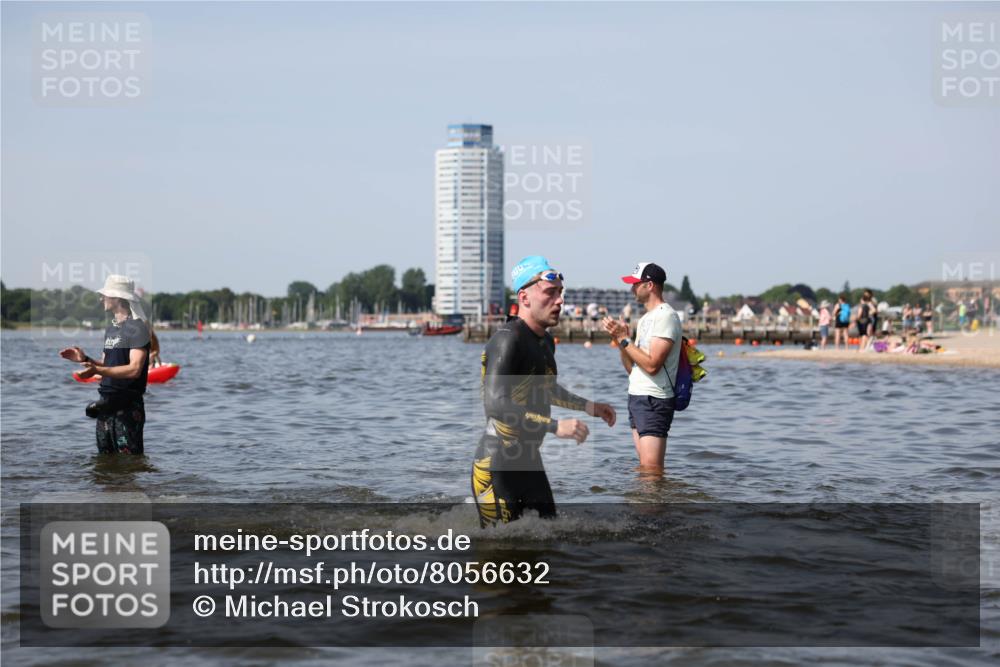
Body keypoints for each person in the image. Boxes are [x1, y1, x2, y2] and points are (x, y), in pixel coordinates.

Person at [472, 256, 616, 527]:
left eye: (560, 293)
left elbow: (546, 389)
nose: (560, 301)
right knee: (500, 554)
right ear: (524, 298)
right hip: (497, 466)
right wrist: (554, 426)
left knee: (548, 541)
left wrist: (589, 406)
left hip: (530, 462)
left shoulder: (545, 341)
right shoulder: (507, 339)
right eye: (550, 293)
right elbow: (495, 404)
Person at [601, 262, 681, 471]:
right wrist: (621, 342)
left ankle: (655, 504)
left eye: (636, 284)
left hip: (654, 399)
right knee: (644, 469)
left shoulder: (665, 316)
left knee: (651, 471)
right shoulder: (646, 318)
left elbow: (653, 365)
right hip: (638, 397)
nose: (631, 289)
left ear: (650, 285)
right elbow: (633, 368)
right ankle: (645, 504)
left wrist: (625, 339)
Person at [59, 275, 151, 455]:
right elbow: (106, 365)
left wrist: (97, 369)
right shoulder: (111, 329)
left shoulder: (138, 328)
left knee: (130, 463)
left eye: (105, 295)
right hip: (105, 406)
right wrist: (85, 359)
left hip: (128, 408)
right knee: (104, 464)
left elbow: (134, 369)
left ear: (117, 298)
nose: (101, 298)